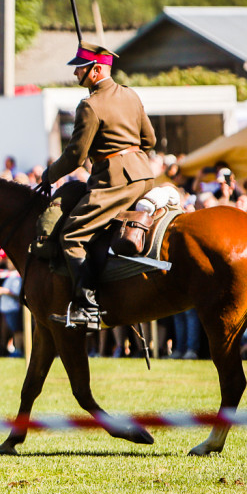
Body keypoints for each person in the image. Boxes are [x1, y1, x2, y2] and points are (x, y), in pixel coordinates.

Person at [40, 42, 157, 329]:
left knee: (73, 235)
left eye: (79, 67)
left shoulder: (90, 105)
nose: (75, 72)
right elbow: (150, 141)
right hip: (144, 174)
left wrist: (49, 175)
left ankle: (87, 308)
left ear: (95, 70)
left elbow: (75, 155)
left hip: (115, 182)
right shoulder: (130, 95)